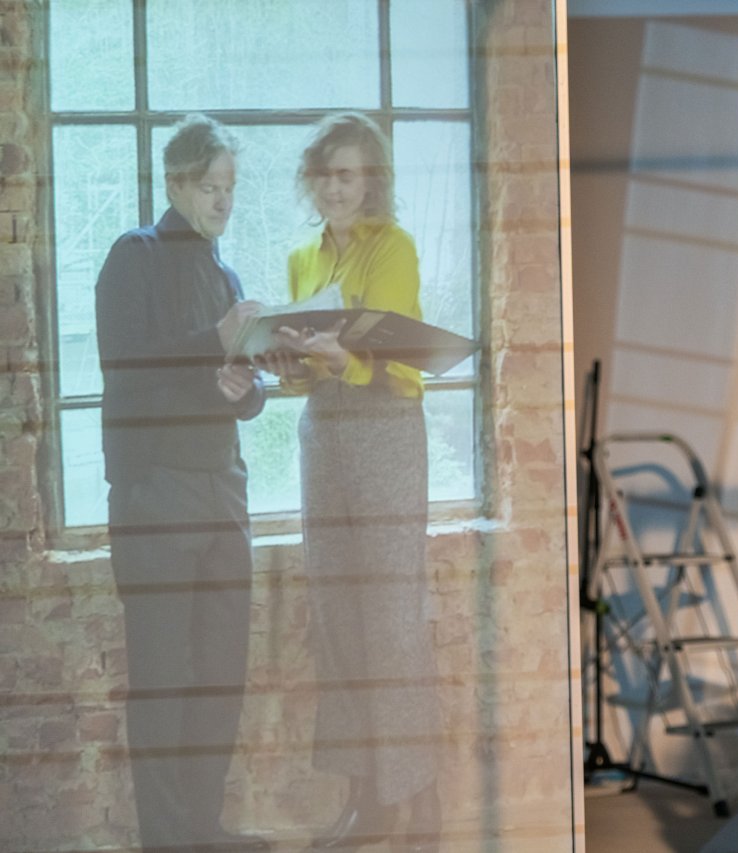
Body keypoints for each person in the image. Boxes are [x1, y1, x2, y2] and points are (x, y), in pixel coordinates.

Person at [257, 112, 435, 851]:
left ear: (371, 182)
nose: (335, 188)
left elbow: (403, 360)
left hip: (386, 434)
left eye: (349, 175)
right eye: (326, 174)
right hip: (324, 437)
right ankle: (366, 799)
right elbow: (310, 365)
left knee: (392, 623)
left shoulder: (393, 246)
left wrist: (345, 362)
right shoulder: (302, 257)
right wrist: (288, 365)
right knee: (337, 619)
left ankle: (418, 799)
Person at [96, 114, 268, 851]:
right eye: (208, 186)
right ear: (173, 182)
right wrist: (215, 344)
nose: (223, 199)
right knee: (164, 679)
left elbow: (245, 391)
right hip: (156, 495)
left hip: (223, 493)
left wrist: (247, 385)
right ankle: (166, 841)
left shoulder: (226, 275)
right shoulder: (132, 256)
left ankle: (204, 828)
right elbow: (124, 370)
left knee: (222, 674)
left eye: (230, 186)